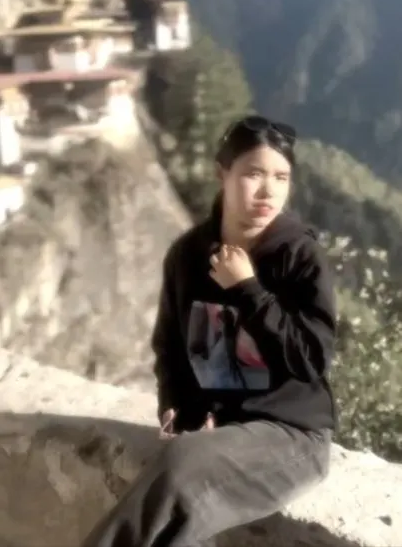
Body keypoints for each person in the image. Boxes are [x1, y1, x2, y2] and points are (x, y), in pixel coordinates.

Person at [82, 115, 337, 547]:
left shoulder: (300, 256)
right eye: (253, 174)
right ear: (224, 173)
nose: (268, 191)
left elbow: (312, 358)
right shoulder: (188, 255)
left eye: (281, 177)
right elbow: (171, 346)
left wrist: (249, 289)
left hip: (292, 436)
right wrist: (176, 404)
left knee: (181, 470)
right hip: (223, 432)